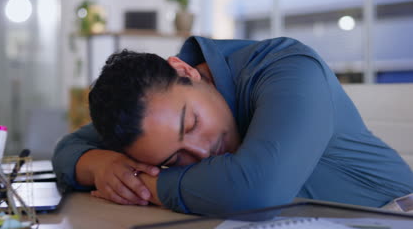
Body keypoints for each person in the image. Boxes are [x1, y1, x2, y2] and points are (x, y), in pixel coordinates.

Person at [53, 36, 413, 215]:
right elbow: (69, 149)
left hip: (391, 214)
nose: (200, 152)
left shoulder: (287, 67)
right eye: (174, 158)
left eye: (191, 123)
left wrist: (144, 183)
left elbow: (257, 186)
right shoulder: (151, 117)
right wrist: (100, 165)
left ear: (184, 71)